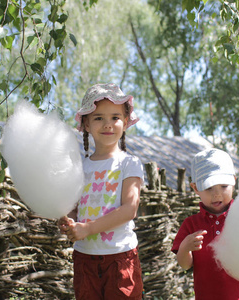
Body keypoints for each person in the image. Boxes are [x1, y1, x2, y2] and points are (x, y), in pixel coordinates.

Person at [58, 83, 144, 299]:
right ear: (86, 124)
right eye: (98, 118)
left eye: (115, 117)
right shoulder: (80, 167)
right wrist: (69, 221)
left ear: (125, 123)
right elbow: (75, 208)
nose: (107, 124)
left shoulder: (130, 164)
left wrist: (88, 228)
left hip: (120, 258)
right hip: (85, 258)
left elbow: (129, 209)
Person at [171, 148, 239, 299]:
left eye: (224, 186)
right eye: (209, 187)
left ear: (234, 181)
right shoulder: (191, 225)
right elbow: (185, 265)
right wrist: (185, 248)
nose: (217, 194)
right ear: (195, 188)